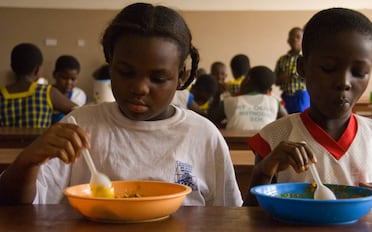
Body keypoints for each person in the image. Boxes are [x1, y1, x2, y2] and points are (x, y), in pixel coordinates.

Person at [0, 3, 242, 207]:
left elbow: (229, 216)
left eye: (158, 78)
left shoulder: (203, 135)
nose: (139, 88)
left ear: (181, 76)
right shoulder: (80, 126)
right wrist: (28, 161)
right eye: (126, 72)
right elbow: (18, 208)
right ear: (110, 64)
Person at [243, 8, 372, 214]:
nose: (344, 83)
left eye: (359, 72)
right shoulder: (274, 138)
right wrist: (264, 172)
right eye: (328, 68)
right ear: (302, 67)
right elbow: (248, 217)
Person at [0, 43, 76, 128]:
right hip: (42, 141)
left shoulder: (1, 94)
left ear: (12, 67)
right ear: (37, 70)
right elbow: (79, 112)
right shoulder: (46, 92)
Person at [209, 66, 287, 129]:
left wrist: (217, 94)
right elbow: (288, 122)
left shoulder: (228, 102)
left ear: (247, 80)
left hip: (234, 146)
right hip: (265, 146)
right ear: (268, 90)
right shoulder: (274, 102)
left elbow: (210, 121)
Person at [274, 27, 310, 114]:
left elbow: (314, 77)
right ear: (288, 40)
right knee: (287, 121)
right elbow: (275, 80)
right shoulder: (282, 60)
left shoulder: (307, 58)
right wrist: (282, 78)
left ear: (303, 40)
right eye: (292, 37)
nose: (295, 39)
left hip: (302, 95)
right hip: (286, 97)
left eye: (298, 37)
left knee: (302, 121)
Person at [52, 55, 87, 123]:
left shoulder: (79, 95)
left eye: (73, 79)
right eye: (64, 78)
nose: (69, 82)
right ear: (54, 75)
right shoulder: (47, 93)